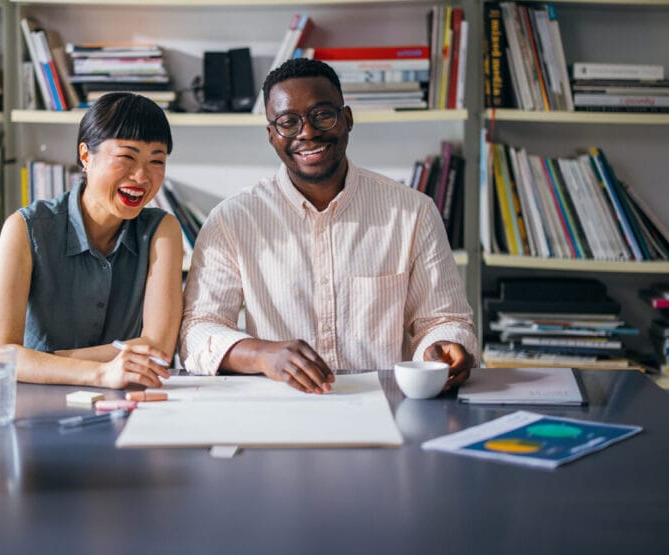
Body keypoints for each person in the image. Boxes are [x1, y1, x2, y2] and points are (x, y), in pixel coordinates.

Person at [180, 58, 476, 394]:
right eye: (288, 122)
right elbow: (197, 330)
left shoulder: (413, 212)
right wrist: (262, 354)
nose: (307, 132)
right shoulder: (232, 221)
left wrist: (445, 348)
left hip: (384, 403)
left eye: (322, 115)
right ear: (271, 135)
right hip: (280, 406)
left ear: (347, 119)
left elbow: (444, 321)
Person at [0, 93, 183, 388]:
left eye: (156, 160)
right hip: (37, 397)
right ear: (86, 156)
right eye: (127, 157)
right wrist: (101, 373)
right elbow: (0, 356)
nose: (142, 176)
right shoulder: (24, 229)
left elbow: (157, 349)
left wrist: (44, 359)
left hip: (125, 399)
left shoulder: (161, 231)